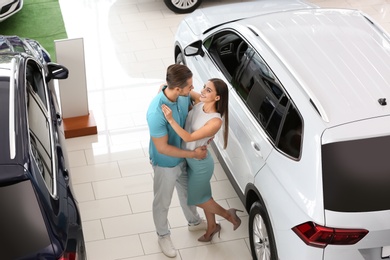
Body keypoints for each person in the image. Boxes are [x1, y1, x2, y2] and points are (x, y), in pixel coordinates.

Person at [161, 78, 243, 242]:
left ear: (217, 98)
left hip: (200, 164)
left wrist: (170, 119)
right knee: (206, 196)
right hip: (191, 158)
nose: (203, 91)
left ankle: (229, 215)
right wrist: (165, 87)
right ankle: (212, 227)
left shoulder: (215, 121)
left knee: (198, 199)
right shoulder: (200, 101)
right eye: (204, 87)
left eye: (209, 90)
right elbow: (180, 88)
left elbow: (189, 137)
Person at [146, 64, 208, 258]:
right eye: (190, 85)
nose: (192, 88)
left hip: (182, 156)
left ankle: (194, 222)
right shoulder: (156, 113)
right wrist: (193, 155)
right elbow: (162, 148)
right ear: (177, 88)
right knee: (163, 201)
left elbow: (193, 96)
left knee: (188, 192)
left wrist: (204, 103)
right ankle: (163, 235)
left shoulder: (180, 95)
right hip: (165, 163)